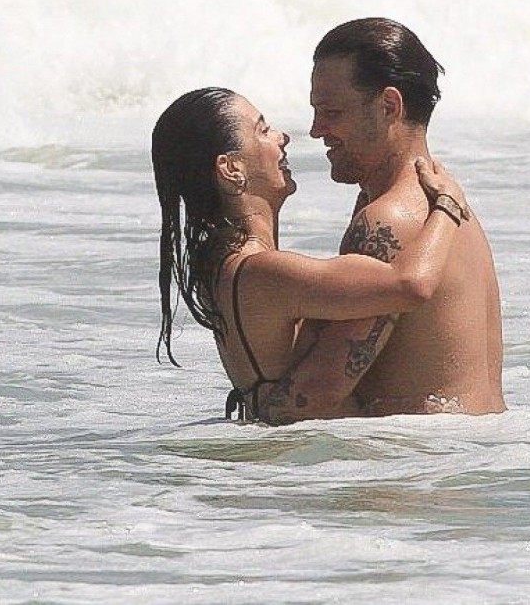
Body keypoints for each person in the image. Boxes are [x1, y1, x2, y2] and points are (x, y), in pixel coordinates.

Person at [151, 87, 471, 420]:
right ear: (231, 169)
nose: (282, 137)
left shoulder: (228, 268)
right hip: (307, 462)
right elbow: (410, 286)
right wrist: (447, 205)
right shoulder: (264, 272)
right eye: (263, 130)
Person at [253, 18, 506, 424]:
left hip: (413, 467)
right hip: (463, 460)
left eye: (332, 112)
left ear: (389, 106)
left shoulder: (389, 220)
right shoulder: (451, 207)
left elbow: (312, 399)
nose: (317, 130)